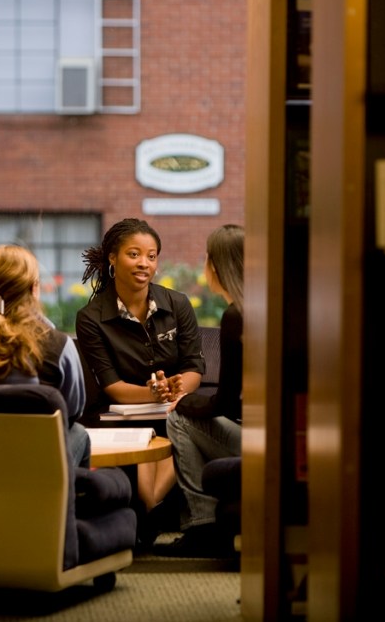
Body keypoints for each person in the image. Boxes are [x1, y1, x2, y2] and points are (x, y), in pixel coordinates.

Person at [75, 217, 205, 542]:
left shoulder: (177, 304)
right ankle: (152, 507)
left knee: (184, 425)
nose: (144, 263)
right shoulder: (91, 318)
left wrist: (175, 390)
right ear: (113, 259)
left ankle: (149, 509)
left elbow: (193, 368)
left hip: (174, 411)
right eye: (134, 254)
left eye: (151, 255)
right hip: (122, 416)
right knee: (146, 450)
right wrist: (152, 394)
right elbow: (111, 386)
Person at [0, 244, 91, 468]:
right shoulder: (58, 345)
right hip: (39, 464)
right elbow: (73, 411)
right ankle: (67, 500)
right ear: (34, 289)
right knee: (79, 433)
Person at [159, 224, 244, 557]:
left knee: (179, 419)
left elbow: (222, 402)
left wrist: (183, 402)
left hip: (258, 445)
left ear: (214, 266)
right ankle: (205, 525)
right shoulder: (267, 307)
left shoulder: (237, 315)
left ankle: (202, 525)